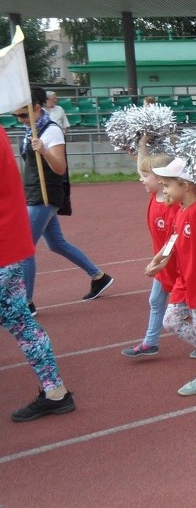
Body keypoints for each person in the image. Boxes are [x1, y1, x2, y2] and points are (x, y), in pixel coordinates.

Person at [1, 125, 76, 421]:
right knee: (21, 321)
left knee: (21, 321)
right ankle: (54, 390)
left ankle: (55, 391)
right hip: (10, 246)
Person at [17, 87, 113, 314]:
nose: (19, 120)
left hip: (45, 194)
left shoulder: (51, 131)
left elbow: (60, 167)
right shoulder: (30, 129)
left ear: (37, 108)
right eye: (16, 116)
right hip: (34, 193)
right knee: (56, 244)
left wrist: (44, 151)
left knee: (24, 249)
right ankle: (99, 277)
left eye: (22, 115)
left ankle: (26, 303)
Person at [147, 158, 196, 395]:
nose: (165, 191)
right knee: (171, 321)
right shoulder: (179, 211)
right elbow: (173, 240)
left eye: (168, 186)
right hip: (185, 279)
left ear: (186, 186)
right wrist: (157, 261)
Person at [122, 141, 179, 358]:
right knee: (156, 301)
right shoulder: (155, 195)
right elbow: (141, 165)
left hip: (175, 263)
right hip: (161, 263)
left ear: (161, 178)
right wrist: (142, 143)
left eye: (146, 176)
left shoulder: (172, 204)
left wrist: (158, 261)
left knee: (192, 306)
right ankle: (150, 342)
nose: (141, 179)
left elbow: (173, 240)